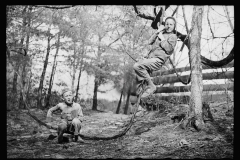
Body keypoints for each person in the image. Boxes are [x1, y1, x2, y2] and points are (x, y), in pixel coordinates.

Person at [133, 17, 178, 98]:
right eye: (167, 24)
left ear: (174, 26)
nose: (168, 26)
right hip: (150, 59)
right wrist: (158, 32)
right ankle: (141, 102)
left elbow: (169, 49)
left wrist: (162, 39)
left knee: (137, 66)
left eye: (171, 24)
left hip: (158, 60)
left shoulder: (173, 36)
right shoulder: (161, 33)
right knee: (139, 87)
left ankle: (152, 86)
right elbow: (149, 42)